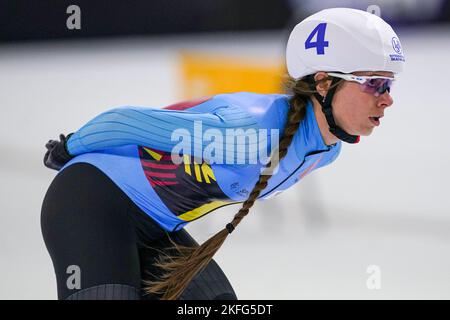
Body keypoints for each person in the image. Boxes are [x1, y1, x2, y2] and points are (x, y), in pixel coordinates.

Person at [41, 7, 405, 300]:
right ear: (324, 82)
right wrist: (69, 147)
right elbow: (125, 120)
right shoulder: (248, 134)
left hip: (155, 228)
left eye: (388, 84)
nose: (387, 98)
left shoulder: (326, 150)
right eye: (374, 83)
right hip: (90, 203)